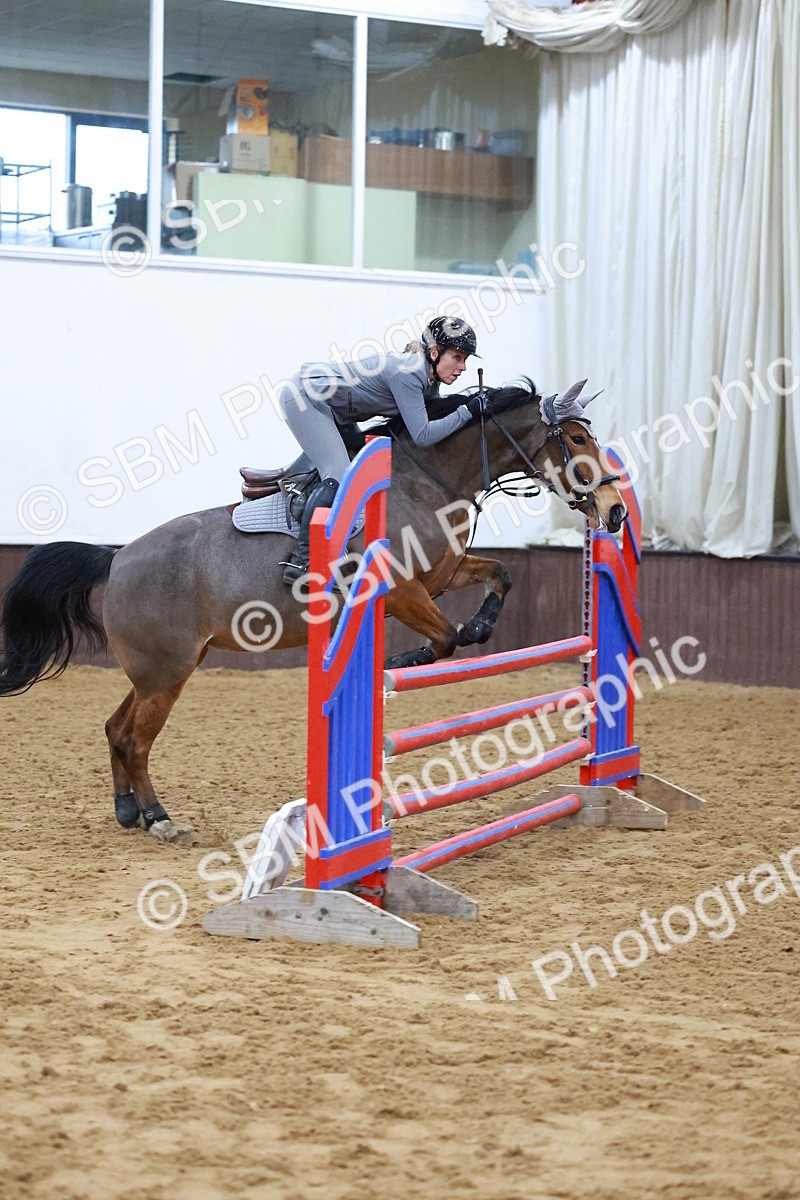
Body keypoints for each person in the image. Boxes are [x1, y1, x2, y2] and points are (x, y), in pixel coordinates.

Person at [278, 316, 481, 585]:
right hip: (305, 398)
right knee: (340, 474)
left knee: (356, 459)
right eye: (457, 357)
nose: (463, 367)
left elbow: (434, 421)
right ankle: (301, 562)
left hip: (334, 409)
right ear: (434, 353)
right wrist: (467, 411)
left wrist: (471, 412)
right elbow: (423, 435)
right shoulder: (409, 373)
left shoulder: (430, 380)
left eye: (465, 359)